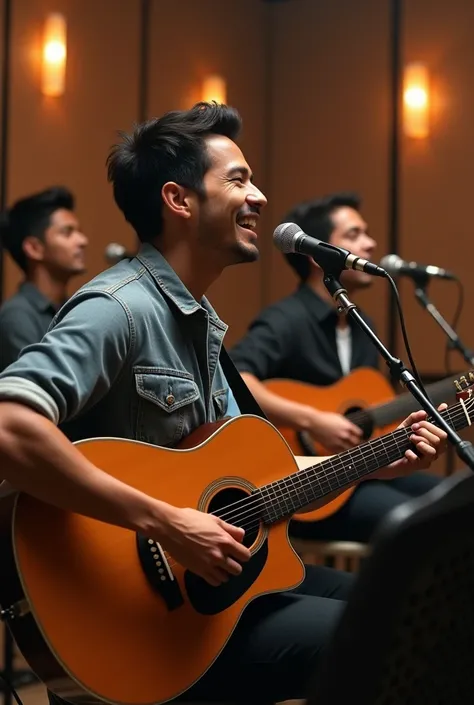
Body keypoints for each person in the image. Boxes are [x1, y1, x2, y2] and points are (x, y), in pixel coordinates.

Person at [0, 105, 446, 704]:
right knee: (387, 639)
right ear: (179, 201)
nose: (259, 196)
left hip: (219, 600)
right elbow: (9, 426)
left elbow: (255, 482)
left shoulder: (201, 327)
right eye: (237, 179)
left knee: (416, 613)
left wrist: (373, 460)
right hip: (139, 620)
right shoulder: (119, 307)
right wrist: (167, 522)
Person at [231, 192, 442, 544]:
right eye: (354, 235)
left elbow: (366, 411)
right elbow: (237, 377)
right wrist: (312, 421)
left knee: (453, 501)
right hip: (307, 490)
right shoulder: (285, 320)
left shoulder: (362, 325)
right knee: (417, 527)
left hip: (360, 470)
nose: (371, 244)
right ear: (318, 255)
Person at [0, 186, 88, 371]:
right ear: (34, 248)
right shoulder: (17, 316)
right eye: (67, 232)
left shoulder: (73, 309)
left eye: (79, 231)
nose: (82, 240)